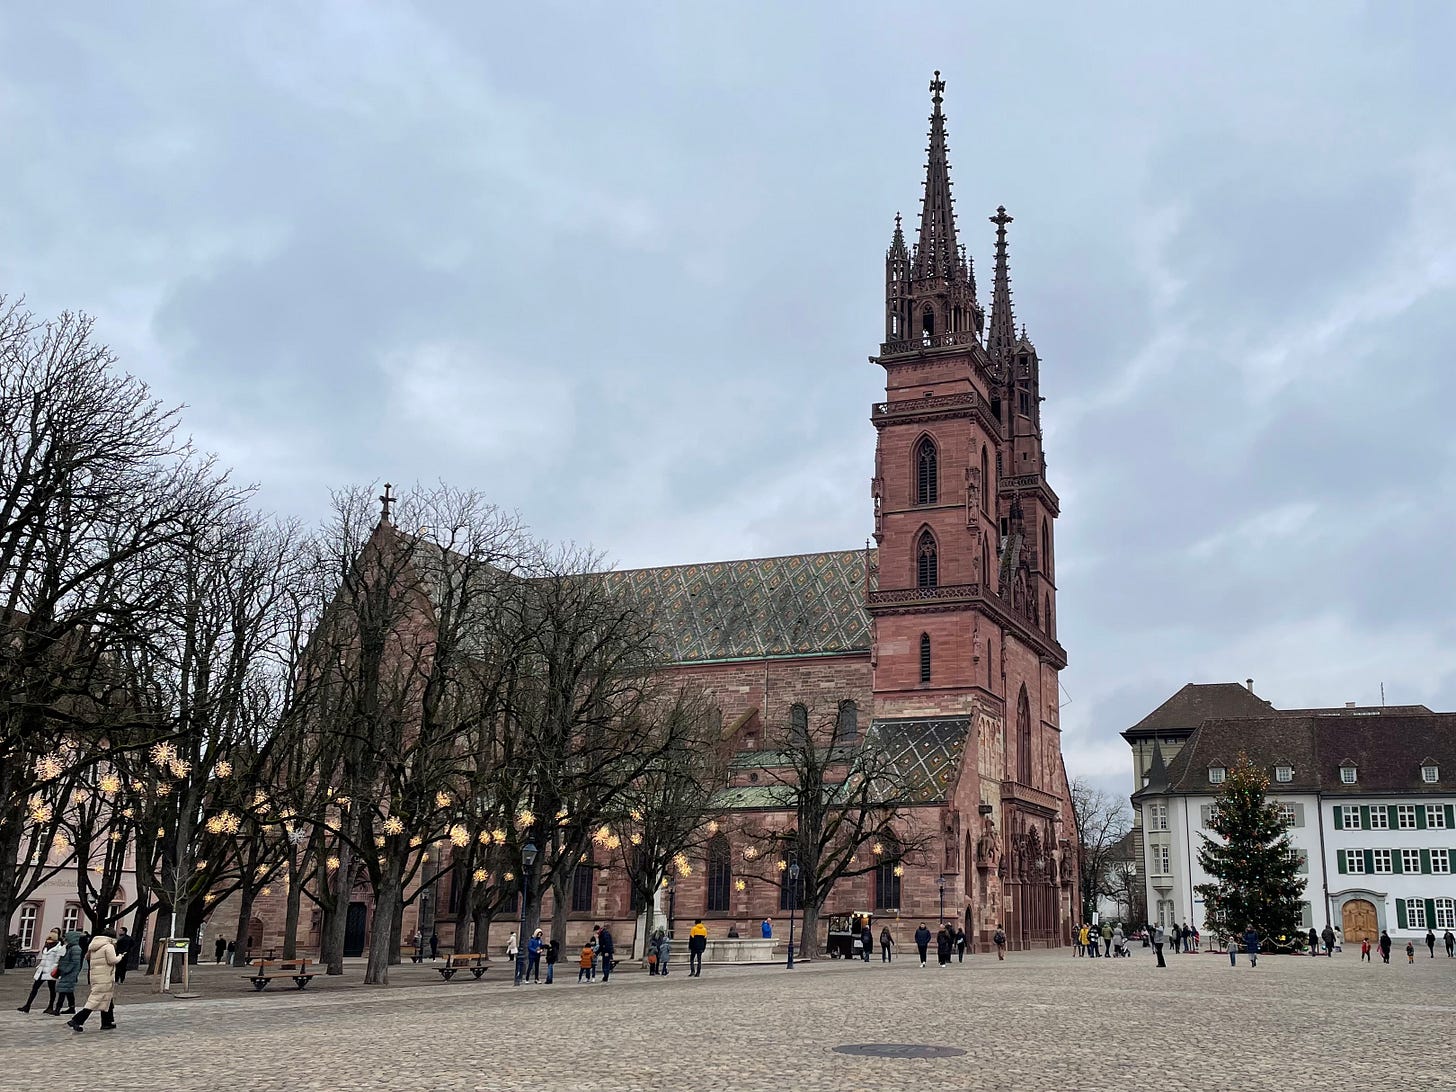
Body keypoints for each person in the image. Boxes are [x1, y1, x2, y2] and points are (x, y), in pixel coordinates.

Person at [67, 931, 121, 1033]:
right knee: (95, 1000)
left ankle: (107, 1022)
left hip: (95, 976)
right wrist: (120, 957)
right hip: (104, 976)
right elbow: (112, 960)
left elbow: (87, 957)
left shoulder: (93, 945)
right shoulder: (108, 946)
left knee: (106, 998)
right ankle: (77, 1020)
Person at [18, 929, 62, 1014]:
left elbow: (58, 961)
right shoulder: (46, 946)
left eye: (51, 940)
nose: (48, 942)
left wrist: (54, 970)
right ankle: (27, 1006)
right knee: (34, 988)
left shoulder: (59, 948)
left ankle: (50, 1006)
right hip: (42, 970)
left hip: (50, 972)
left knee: (52, 990)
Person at [53, 930, 82, 1016]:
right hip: (67, 972)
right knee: (68, 990)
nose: (65, 939)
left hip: (70, 973)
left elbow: (74, 962)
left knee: (63, 990)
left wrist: (65, 970)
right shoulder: (69, 947)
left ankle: (58, 1009)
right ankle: (71, 1007)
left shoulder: (75, 948)